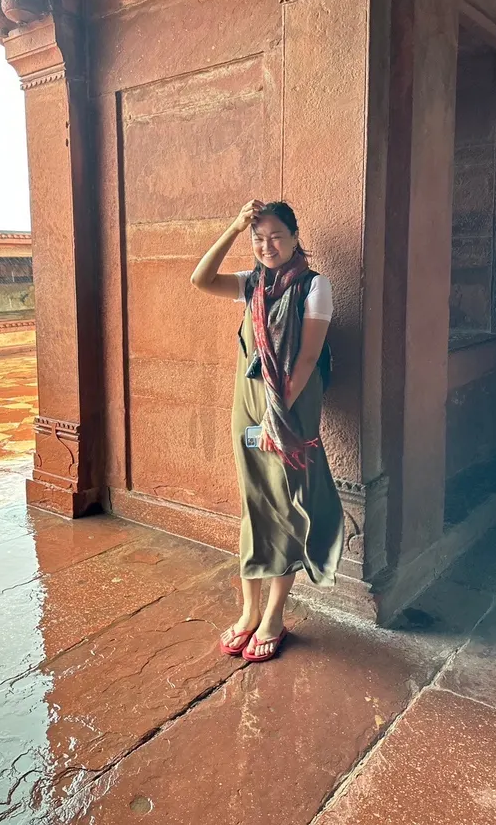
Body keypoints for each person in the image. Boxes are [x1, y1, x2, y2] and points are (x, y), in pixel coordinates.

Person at [190, 199, 343, 661]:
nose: (267, 245)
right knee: (252, 504)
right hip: (247, 407)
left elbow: (309, 358)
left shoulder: (315, 287)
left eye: (276, 236)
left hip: (289, 410)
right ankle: (248, 610)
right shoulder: (251, 284)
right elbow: (200, 279)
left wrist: (277, 413)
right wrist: (234, 226)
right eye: (259, 238)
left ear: (295, 237)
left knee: (285, 508)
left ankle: (275, 614)